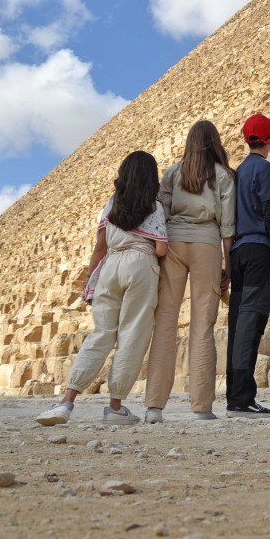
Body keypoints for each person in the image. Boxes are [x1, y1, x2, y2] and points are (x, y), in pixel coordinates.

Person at [37, 151, 167, 426]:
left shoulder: (111, 205)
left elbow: (100, 247)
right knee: (132, 335)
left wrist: (89, 280)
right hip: (141, 265)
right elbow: (161, 249)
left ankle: (66, 403)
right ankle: (115, 408)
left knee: (101, 334)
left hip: (110, 268)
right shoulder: (154, 207)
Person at [145, 120, 235, 423]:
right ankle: (201, 407)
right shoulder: (223, 176)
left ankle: (154, 407)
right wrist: (228, 264)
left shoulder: (173, 172)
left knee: (164, 324)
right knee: (202, 326)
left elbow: (160, 214)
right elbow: (228, 226)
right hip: (206, 245)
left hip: (172, 244)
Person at [225, 114, 270, 417]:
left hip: (238, 252)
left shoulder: (238, 172)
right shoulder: (267, 168)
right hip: (260, 252)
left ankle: (234, 396)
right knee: (251, 324)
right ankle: (243, 399)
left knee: (238, 322)